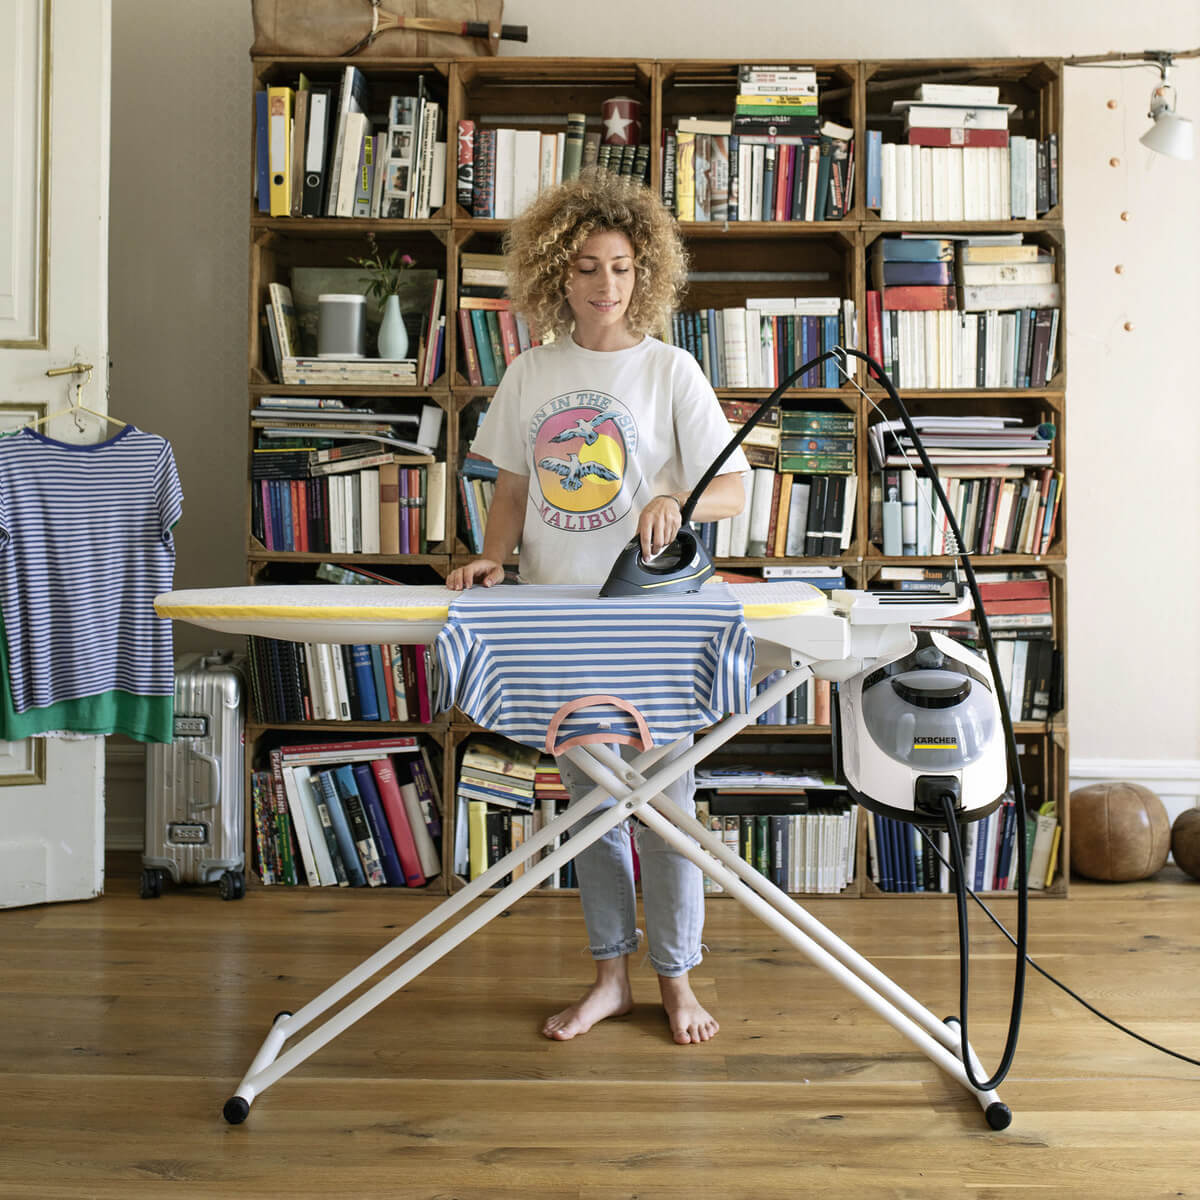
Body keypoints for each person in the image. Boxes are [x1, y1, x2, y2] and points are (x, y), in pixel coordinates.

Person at [446, 169, 748, 1045]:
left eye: (620, 267)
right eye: (586, 267)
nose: (604, 284)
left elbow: (734, 487)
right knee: (593, 812)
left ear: (643, 272)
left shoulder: (671, 369)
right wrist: (492, 558)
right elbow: (510, 489)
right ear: (557, 273)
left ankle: (676, 981)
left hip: (653, 618)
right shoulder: (531, 371)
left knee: (666, 810)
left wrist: (677, 501)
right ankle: (611, 978)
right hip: (558, 615)